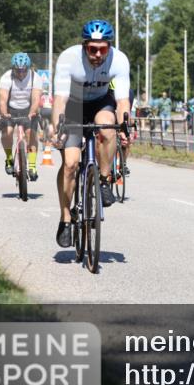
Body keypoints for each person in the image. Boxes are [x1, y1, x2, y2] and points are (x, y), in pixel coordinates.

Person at [51, 20, 131, 249]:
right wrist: (58, 127)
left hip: (100, 103)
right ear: (84, 45)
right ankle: (66, 218)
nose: (97, 54)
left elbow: (123, 101)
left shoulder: (120, 59)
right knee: (70, 164)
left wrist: (125, 127)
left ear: (109, 47)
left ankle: (105, 180)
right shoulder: (69, 58)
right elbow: (60, 100)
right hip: (74, 106)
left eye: (102, 49)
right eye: (92, 49)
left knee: (108, 127)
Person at [0, 52, 43, 180]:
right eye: (18, 71)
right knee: (7, 132)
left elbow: (35, 99)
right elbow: (2, 100)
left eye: (24, 71)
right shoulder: (6, 77)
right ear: (13, 69)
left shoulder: (35, 77)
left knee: (31, 134)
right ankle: (9, 158)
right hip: (10, 108)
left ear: (28, 68)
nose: (21, 74)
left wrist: (32, 112)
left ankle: (32, 166)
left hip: (28, 108)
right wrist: (4, 114)